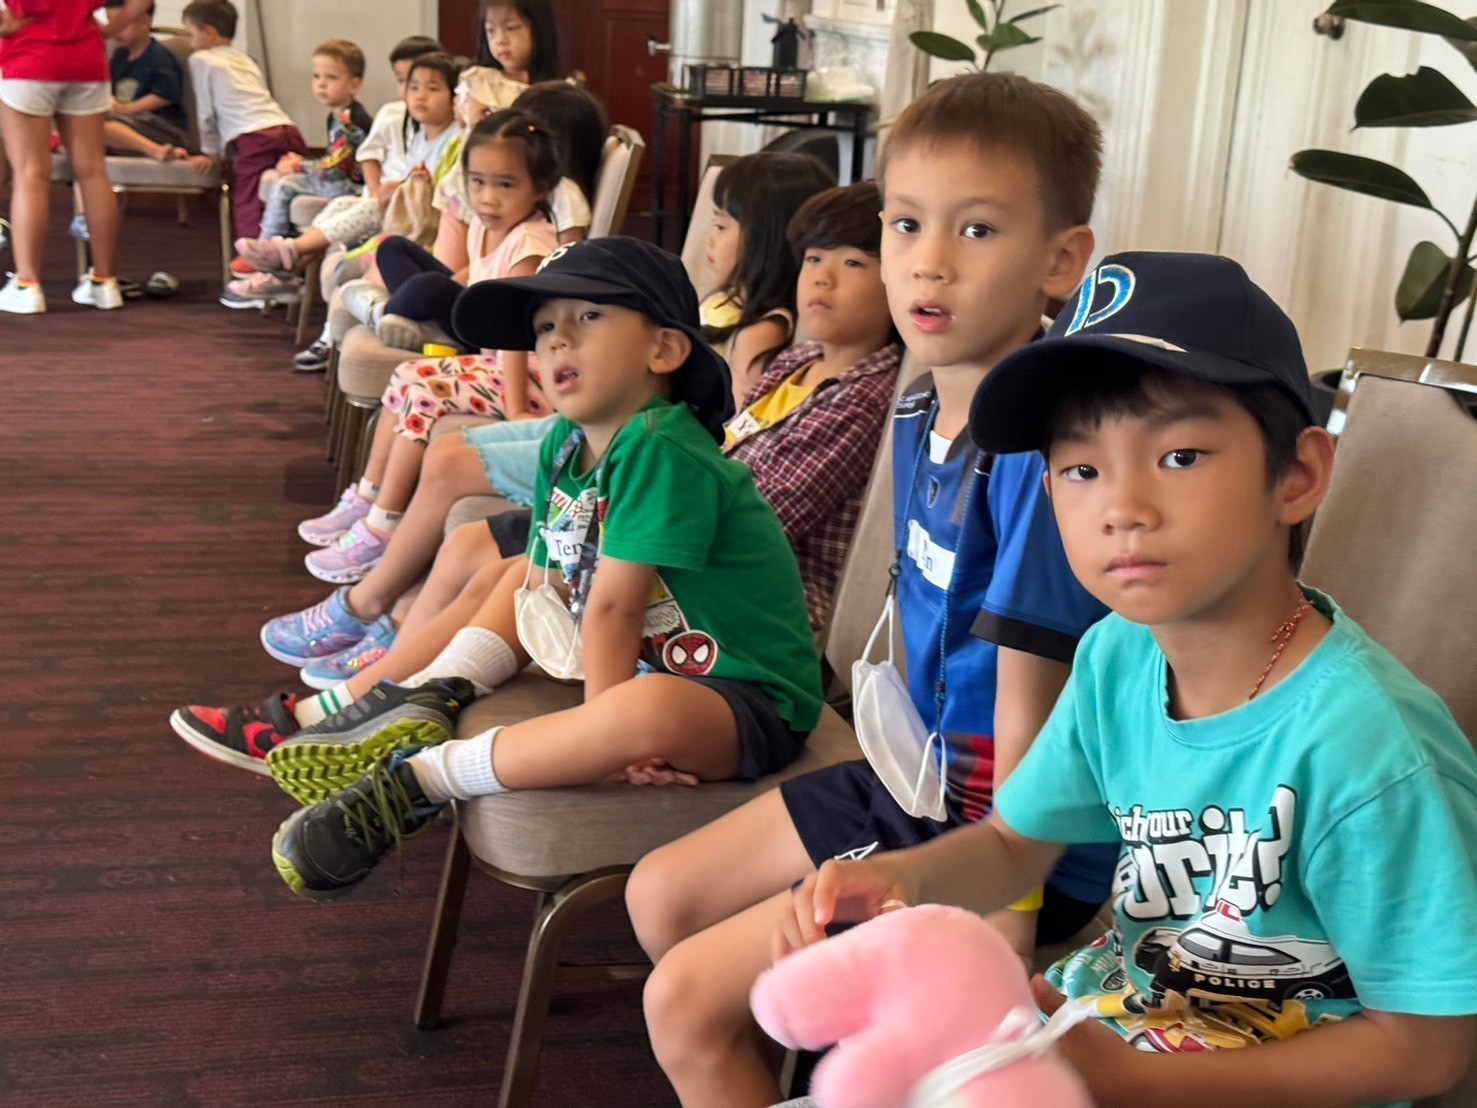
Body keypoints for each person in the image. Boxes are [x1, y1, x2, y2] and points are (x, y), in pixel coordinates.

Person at [777, 251, 1477, 1106]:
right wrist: (904, 881)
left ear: (1296, 476)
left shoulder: (1372, 751)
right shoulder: (1116, 655)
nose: (1122, 509)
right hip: (1109, 1040)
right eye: (1081, 470)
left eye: (1180, 456)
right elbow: (1013, 845)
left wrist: (1140, 1083)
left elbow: (1424, 1052)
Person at [626, 72, 1111, 1107]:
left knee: (682, 1002)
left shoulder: (1041, 457)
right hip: (910, 779)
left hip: (1009, 839)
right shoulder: (917, 407)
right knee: (659, 897)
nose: (927, 262)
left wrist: (1002, 936)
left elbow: (1027, 729)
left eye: (976, 230)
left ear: (1059, 261)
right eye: (904, 224)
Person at [175, 182, 904, 734]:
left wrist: (603, 725)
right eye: (812, 259)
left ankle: (386, 699)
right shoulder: (794, 363)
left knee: (502, 553)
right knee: (504, 566)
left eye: (851, 262)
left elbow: (742, 511)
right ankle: (380, 697)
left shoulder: (852, 397)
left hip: (715, 603)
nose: (820, 278)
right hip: (658, 542)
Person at [250, 238, 824, 900]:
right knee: (514, 575)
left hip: (746, 698)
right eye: (545, 327)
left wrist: (602, 729)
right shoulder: (566, 442)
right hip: (653, 662)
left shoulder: (662, 445)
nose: (557, 341)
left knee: (643, 709)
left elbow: (614, 606)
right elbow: (550, 586)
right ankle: (430, 694)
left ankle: (420, 779)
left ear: (663, 350)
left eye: (588, 317)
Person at [223, 48, 462, 310]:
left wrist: (403, 188)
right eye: (412, 87)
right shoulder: (418, 135)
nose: (420, 95)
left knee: (363, 206)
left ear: (454, 97)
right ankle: (284, 266)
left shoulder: (454, 138)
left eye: (433, 89)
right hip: (395, 207)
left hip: (418, 217)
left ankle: (286, 255)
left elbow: (439, 192)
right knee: (341, 205)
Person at [0, 0, 151, 314]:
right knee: (93, 171)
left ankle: (27, 285)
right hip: (86, 60)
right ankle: (104, 282)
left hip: (28, 58)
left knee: (30, 173)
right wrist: (111, 28)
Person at [698, 152, 836, 408]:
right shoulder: (727, 300)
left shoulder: (760, 334)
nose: (710, 238)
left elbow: (741, 421)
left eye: (722, 226)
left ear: (765, 241)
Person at [181, 0, 306, 242]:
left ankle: (252, 253)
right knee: (286, 191)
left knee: (249, 198)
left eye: (190, 34)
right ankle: (294, 246)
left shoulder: (201, 59)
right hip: (286, 128)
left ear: (208, 33)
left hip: (255, 136)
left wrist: (210, 152)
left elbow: (206, 113)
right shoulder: (245, 59)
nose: (190, 42)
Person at [244, 39, 372, 251]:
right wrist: (302, 163)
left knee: (286, 184)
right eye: (316, 76)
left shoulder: (350, 122)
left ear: (354, 85)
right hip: (340, 181)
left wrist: (298, 166)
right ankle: (280, 239)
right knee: (280, 179)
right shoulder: (336, 116)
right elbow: (333, 158)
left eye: (331, 77)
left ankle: (268, 245)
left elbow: (335, 169)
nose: (321, 84)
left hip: (350, 187)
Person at [101, 0, 189, 163]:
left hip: (162, 126)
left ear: (145, 22)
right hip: (128, 121)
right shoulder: (119, 57)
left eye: (123, 22)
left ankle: (156, 150)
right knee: (85, 124)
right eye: (111, 22)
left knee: (99, 127)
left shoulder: (159, 56)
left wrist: (127, 108)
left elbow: (163, 96)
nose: (116, 29)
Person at [475, 0, 560, 85]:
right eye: (491, 30)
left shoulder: (557, 88)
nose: (499, 40)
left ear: (539, 29)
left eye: (511, 28)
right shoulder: (480, 80)